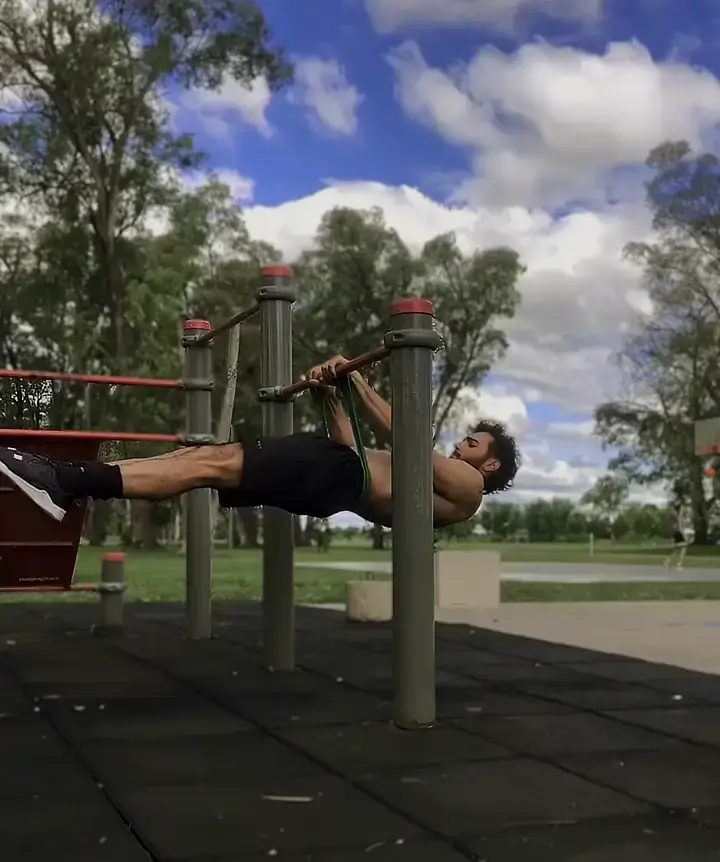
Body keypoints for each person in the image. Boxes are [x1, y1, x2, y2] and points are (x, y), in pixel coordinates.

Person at [0, 355, 520, 528]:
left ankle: (64, 482)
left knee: (210, 462)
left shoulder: (469, 488)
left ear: (490, 465)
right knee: (201, 461)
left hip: (340, 479)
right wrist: (332, 393)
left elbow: (402, 440)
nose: (461, 446)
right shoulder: (440, 476)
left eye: (473, 443)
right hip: (339, 474)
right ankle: (68, 482)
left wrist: (356, 377)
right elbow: (359, 446)